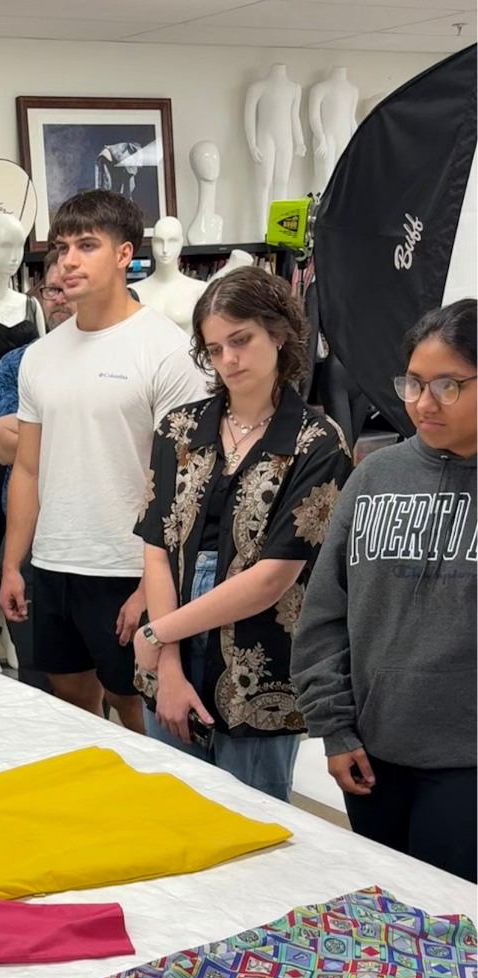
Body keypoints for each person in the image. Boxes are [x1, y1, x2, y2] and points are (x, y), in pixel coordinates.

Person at [132, 267, 353, 802]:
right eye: (214, 348)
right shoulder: (179, 430)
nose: (229, 359)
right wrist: (167, 664)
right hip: (171, 643)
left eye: (242, 340)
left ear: (278, 333)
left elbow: (271, 579)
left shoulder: (318, 444)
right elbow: (157, 552)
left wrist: (157, 635)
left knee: (251, 822)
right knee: (170, 813)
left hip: (262, 661)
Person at [0, 191, 206, 733]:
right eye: (62, 247)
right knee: (71, 708)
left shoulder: (166, 349)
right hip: (54, 562)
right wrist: (12, 564)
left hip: (126, 567)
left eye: (86, 245)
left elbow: (187, 483)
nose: (68, 260)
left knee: (135, 709)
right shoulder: (40, 356)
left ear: (123, 255)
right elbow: (27, 468)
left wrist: (149, 584)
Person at [293, 299, 477, 878]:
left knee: (453, 929)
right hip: (370, 754)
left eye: (448, 385)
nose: (423, 402)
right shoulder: (374, 475)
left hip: (466, 766)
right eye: (414, 383)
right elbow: (324, 612)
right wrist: (334, 727)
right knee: (382, 912)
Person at [0, 249, 73, 693]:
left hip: (98, 543)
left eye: (70, 289)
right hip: (28, 537)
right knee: (38, 679)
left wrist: (38, 436)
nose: (60, 299)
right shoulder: (16, 365)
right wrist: (82, 436)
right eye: (52, 290)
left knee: (114, 687)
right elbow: (4, 446)